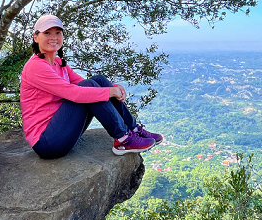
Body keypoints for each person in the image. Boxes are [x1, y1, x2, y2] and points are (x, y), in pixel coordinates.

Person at [20, 14, 164, 159]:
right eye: (47, 33)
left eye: (58, 32)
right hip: (47, 142)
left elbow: (85, 84)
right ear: (36, 37)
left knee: (98, 80)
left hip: (62, 128)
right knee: (90, 87)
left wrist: (114, 88)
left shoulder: (58, 63)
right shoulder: (36, 66)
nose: (53, 37)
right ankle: (122, 139)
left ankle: (134, 129)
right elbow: (75, 93)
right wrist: (110, 92)